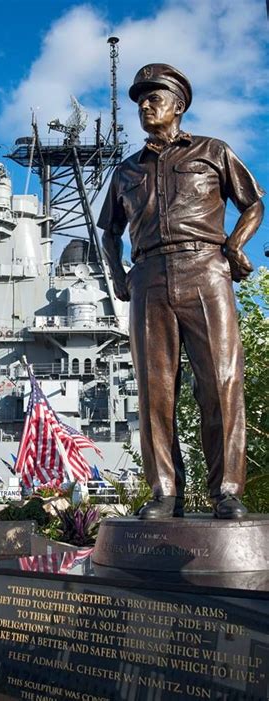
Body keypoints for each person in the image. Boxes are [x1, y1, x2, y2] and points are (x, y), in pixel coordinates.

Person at [98, 64, 264, 520]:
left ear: (179, 104)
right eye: (139, 100)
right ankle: (165, 492)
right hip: (149, 275)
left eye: (154, 97)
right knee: (155, 391)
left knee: (222, 382)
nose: (145, 105)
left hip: (206, 269)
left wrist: (234, 245)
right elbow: (107, 232)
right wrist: (118, 276)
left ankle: (227, 490)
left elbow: (253, 203)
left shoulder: (214, 151)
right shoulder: (126, 170)